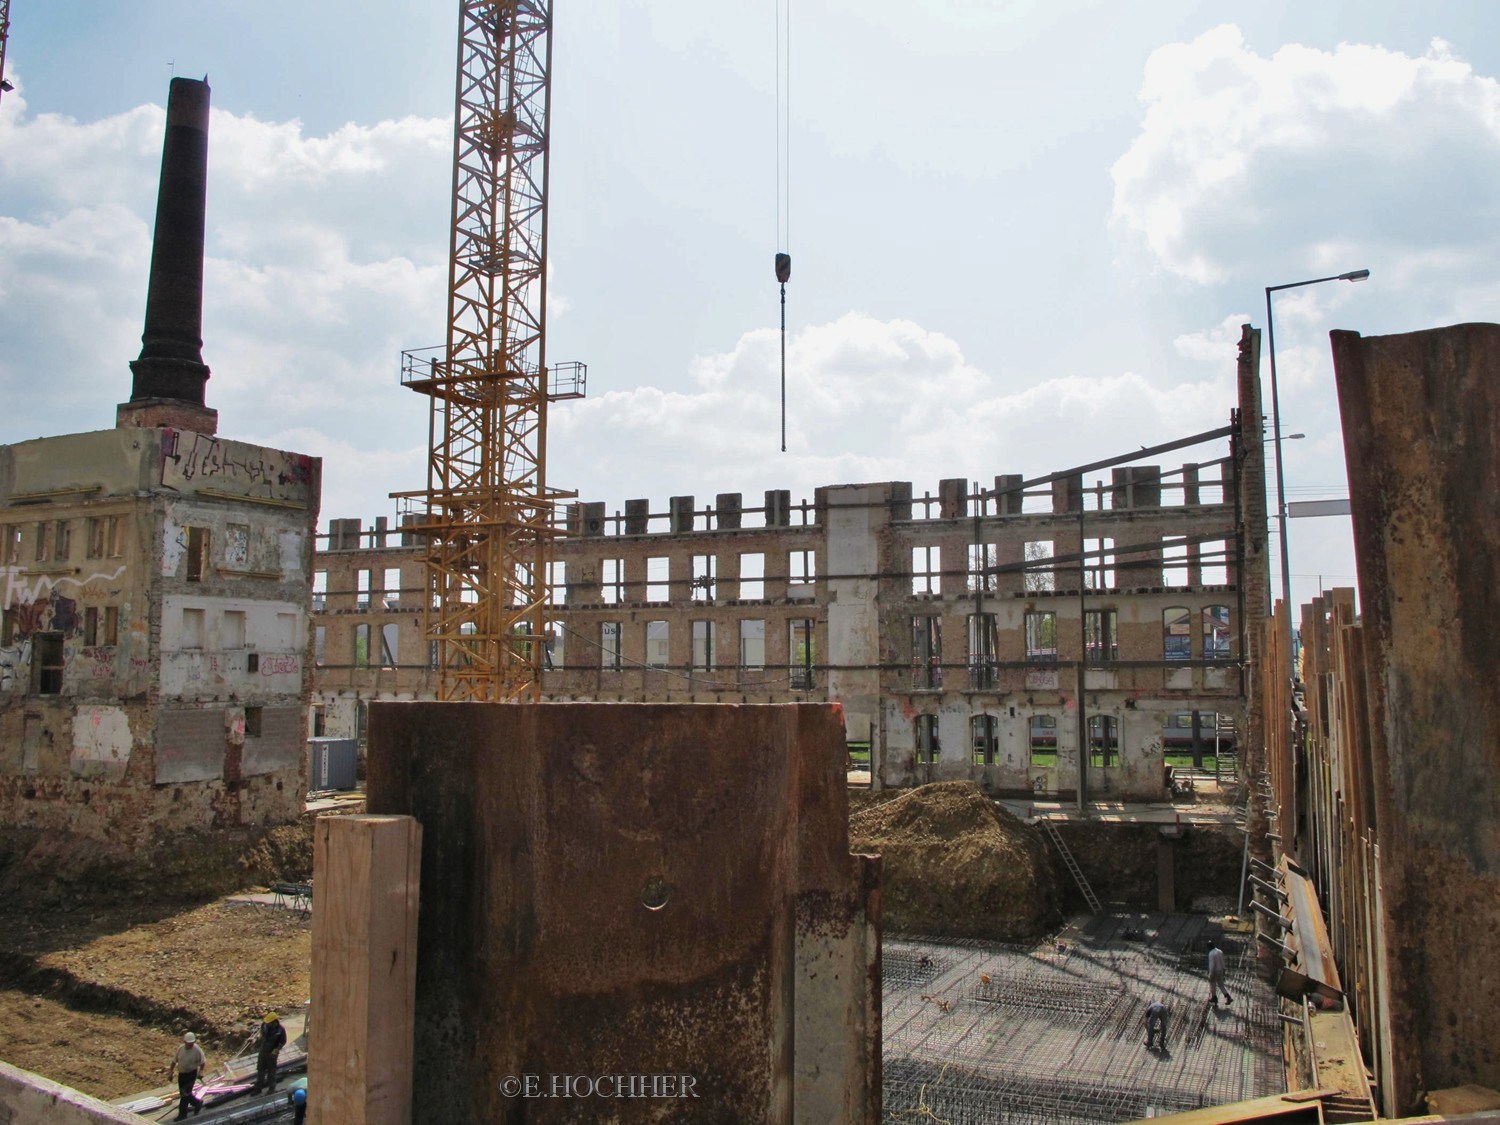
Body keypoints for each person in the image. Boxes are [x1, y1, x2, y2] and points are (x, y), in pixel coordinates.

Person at [167, 1031, 205, 1119]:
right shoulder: (180, 1049)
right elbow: (174, 1061)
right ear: (185, 1042)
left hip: (191, 1074)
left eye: (192, 1043)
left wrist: (201, 1071)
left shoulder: (197, 1050)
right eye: (189, 1043)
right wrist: (170, 1072)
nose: (191, 1045)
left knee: (185, 1095)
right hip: (182, 1075)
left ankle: (182, 1115)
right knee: (184, 1093)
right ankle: (197, 1103)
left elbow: (203, 1062)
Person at [251, 1011, 287, 1094]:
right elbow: (261, 1036)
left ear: (274, 1022)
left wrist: (277, 1050)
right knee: (260, 1069)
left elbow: (283, 1041)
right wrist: (255, 1041)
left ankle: (271, 1089)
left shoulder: (280, 1030)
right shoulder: (264, 1025)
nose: (267, 1023)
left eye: (269, 1023)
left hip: (272, 1052)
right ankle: (258, 1088)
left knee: (271, 1071)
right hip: (263, 1050)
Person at [1207, 939, 1232, 1008]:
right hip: (1220, 970)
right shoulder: (1219, 951)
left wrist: (1210, 974)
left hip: (1214, 971)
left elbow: (1212, 965)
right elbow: (1223, 962)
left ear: (1209, 947)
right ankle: (1228, 997)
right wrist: (1224, 970)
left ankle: (1214, 998)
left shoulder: (1211, 953)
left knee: (1212, 985)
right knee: (1221, 985)